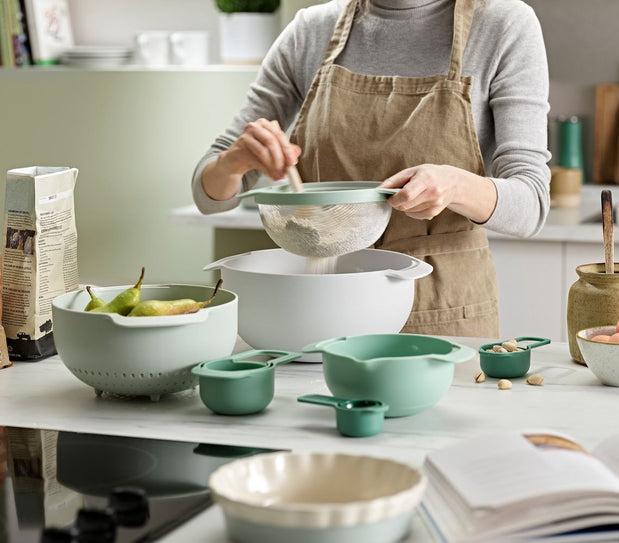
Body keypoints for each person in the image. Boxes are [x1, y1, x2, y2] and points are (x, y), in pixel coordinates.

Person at [192, 0, 551, 338]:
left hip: (443, 312)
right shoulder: (312, 29)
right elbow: (209, 197)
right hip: (319, 310)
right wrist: (234, 161)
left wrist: (454, 185)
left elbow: (531, 204)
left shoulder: (502, 24)